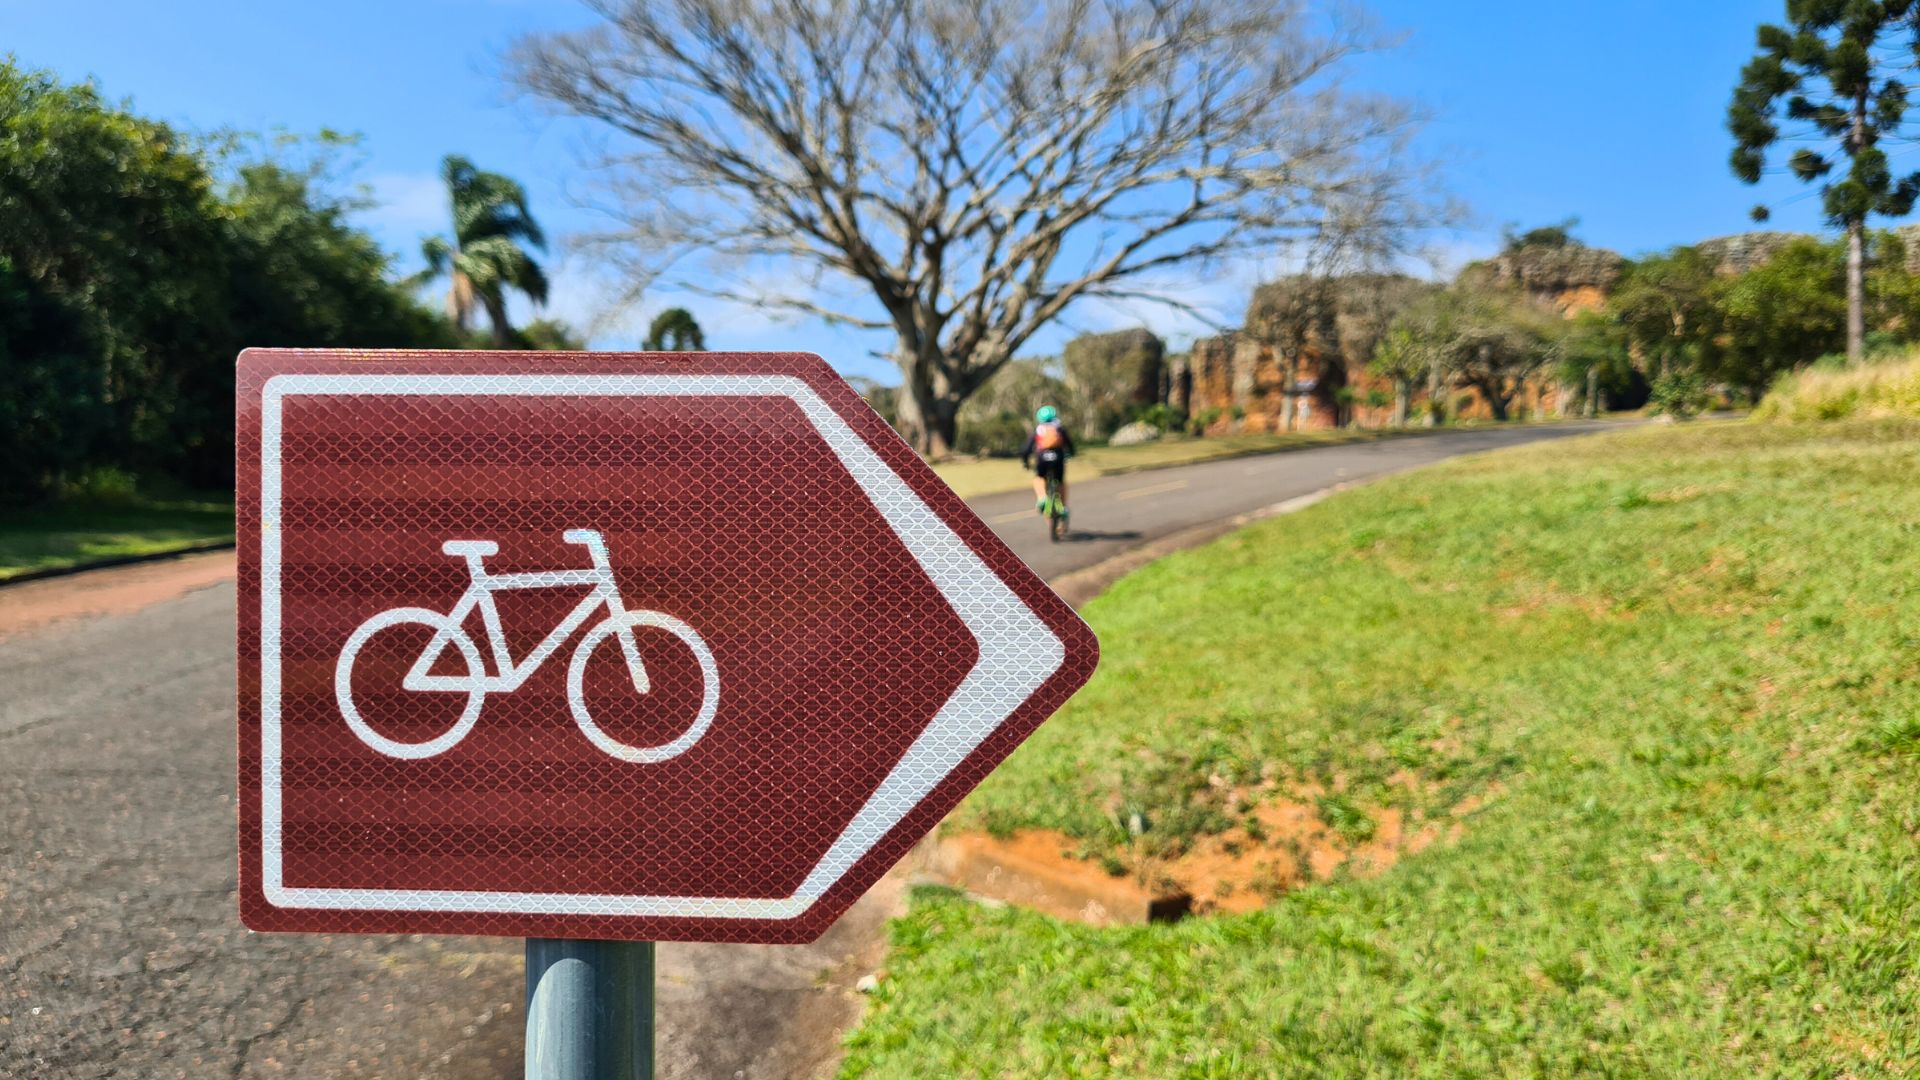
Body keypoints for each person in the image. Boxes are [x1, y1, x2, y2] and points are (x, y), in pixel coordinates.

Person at [1020, 405, 1076, 515]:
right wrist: (1071, 453)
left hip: (1042, 458)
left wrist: (1026, 462)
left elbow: (1026, 449)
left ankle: (1042, 498)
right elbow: (1069, 444)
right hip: (1058, 458)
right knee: (1060, 481)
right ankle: (1063, 507)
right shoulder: (1059, 428)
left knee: (1039, 478)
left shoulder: (1039, 430)